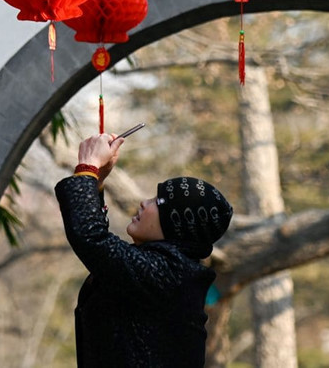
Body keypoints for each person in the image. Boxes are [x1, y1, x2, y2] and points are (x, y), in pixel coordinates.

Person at [55, 132, 234, 367]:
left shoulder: (168, 274)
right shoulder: (170, 269)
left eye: (156, 202)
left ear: (176, 224)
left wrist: (88, 168)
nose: (144, 203)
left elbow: (92, 238)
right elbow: (107, 255)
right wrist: (95, 181)